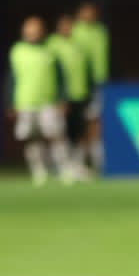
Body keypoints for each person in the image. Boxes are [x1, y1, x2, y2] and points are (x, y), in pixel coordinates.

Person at [6, 16, 70, 186]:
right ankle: (38, 171)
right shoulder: (17, 51)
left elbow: (60, 78)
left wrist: (62, 98)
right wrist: (10, 103)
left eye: (35, 30)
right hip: (25, 102)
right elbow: (11, 79)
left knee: (55, 134)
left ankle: (63, 168)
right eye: (29, 30)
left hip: (48, 101)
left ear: (42, 32)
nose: (32, 34)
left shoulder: (50, 51)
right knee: (31, 137)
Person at [45, 14, 93, 182]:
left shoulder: (78, 46)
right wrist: (58, 96)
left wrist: (89, 90)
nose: (67, 29)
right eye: (64, 26)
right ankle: (61, 167)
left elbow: (86, 69)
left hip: (79, 94)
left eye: (69, 26)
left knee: (78, 132)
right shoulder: (51, 45)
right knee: (59, 133)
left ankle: (77, 165)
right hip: (59, 97)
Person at [69, 1, 109, 174]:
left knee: (96, 122)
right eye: (86, 12)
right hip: (79, 86)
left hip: (100, 83)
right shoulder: (75, 31)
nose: (89, 15)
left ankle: (97, 162)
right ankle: (78, 162)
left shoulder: (101, 31)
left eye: (92, 12)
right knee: (80, 124)